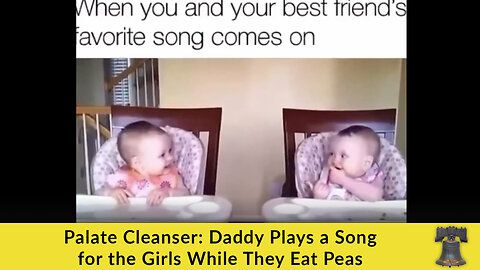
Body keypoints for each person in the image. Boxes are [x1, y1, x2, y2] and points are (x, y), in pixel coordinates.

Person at [106, 121, 189, 205]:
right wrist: (111, 192)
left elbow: (185, 193)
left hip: (164, 217)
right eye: (162, 155)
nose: (170, 157)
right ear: (138, 163)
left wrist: (169, 193)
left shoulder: (172, 175)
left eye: (170, 150)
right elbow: (99, 192)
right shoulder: (123, 176)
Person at [311, 125, 384, 201]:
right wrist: (318, 195)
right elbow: (318, 205)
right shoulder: (328, 174)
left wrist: (343, 180)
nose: (335, 160)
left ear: (366, 163)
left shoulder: (372, 176)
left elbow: (375, 196)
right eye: (332, 153)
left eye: (343, 156)